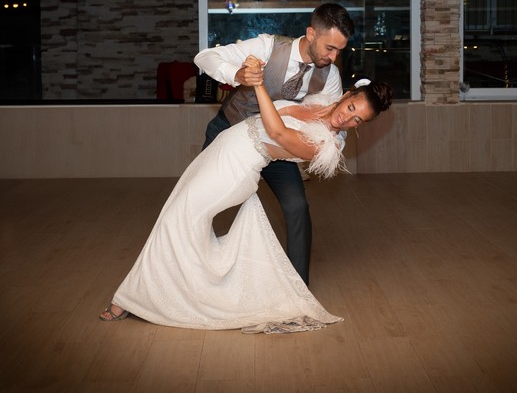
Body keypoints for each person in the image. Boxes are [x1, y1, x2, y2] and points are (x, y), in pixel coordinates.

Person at [99, 63, 392, 333]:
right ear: (347, 95)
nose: (347, 118)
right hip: (223, 148)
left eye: (357, 120)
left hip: (236, 169)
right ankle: (177, 288)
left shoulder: (327, 145)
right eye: (351, 107)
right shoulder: (319, 103)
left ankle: (128, 299)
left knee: (175, 219)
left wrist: (259, 84)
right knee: (178, 217)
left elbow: (277, 131)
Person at [194, 3, 354, 286]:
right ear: (311, 33)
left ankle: (298, 286)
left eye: (339, 51)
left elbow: (335, 122)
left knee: (297, 206)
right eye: (330, 48)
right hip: (229, 133)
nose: (333, 57)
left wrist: (334, 144)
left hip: (276, 149)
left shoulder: (330, 77)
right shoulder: (268, 47)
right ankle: (192, 267)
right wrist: (237, 75)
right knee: (199, 201)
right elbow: (205, 57)